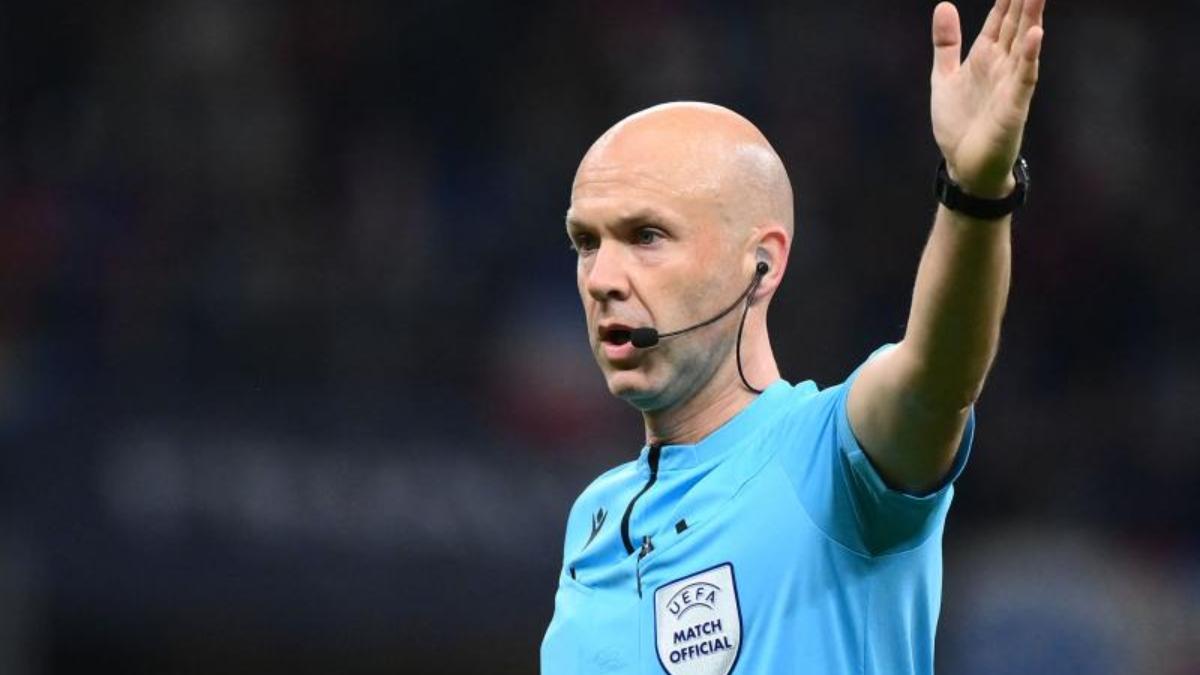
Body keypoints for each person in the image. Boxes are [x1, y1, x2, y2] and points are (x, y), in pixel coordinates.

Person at [541, 0, 1045, 672]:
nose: (602, 276)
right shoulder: (592, 522)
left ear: (762, 264)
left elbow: (939, 376)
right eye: (585, 241)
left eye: (647, 236)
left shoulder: (830, 462)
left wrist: (977, 195)